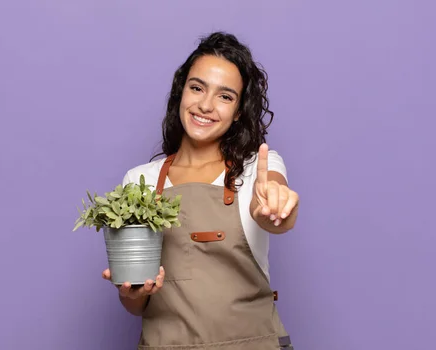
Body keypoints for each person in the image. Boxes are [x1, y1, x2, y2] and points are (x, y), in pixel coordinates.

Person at [102, 31, 299, 349]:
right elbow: (136, 303)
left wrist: (276, 206)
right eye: (197, 88)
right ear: (181, 93)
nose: (205, 105)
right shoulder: (139, 182)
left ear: (238, 112)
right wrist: (131, 293)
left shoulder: (256, 169)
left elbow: (275, 211)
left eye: (225, 96)